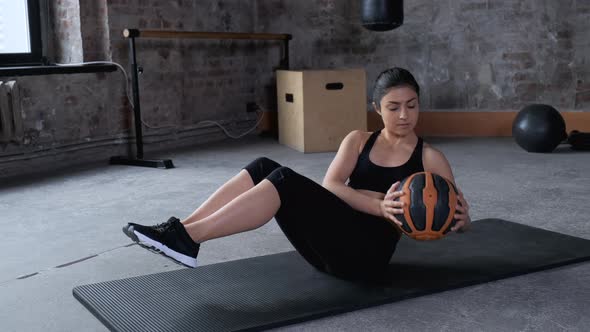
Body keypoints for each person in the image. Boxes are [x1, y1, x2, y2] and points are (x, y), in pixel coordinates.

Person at [122, 67, 472, 280]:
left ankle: (189, 239)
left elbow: (453, 219)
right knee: (263, 167)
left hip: (365, 260)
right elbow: (331, 186)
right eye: (393, 107)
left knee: (284, 181)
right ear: (376, 108)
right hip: (326, 245)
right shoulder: (358, 141)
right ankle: (182, 231)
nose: (403, 115)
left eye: (411, 106)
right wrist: (377, 204)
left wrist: (459, 218)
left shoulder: (429, 157)